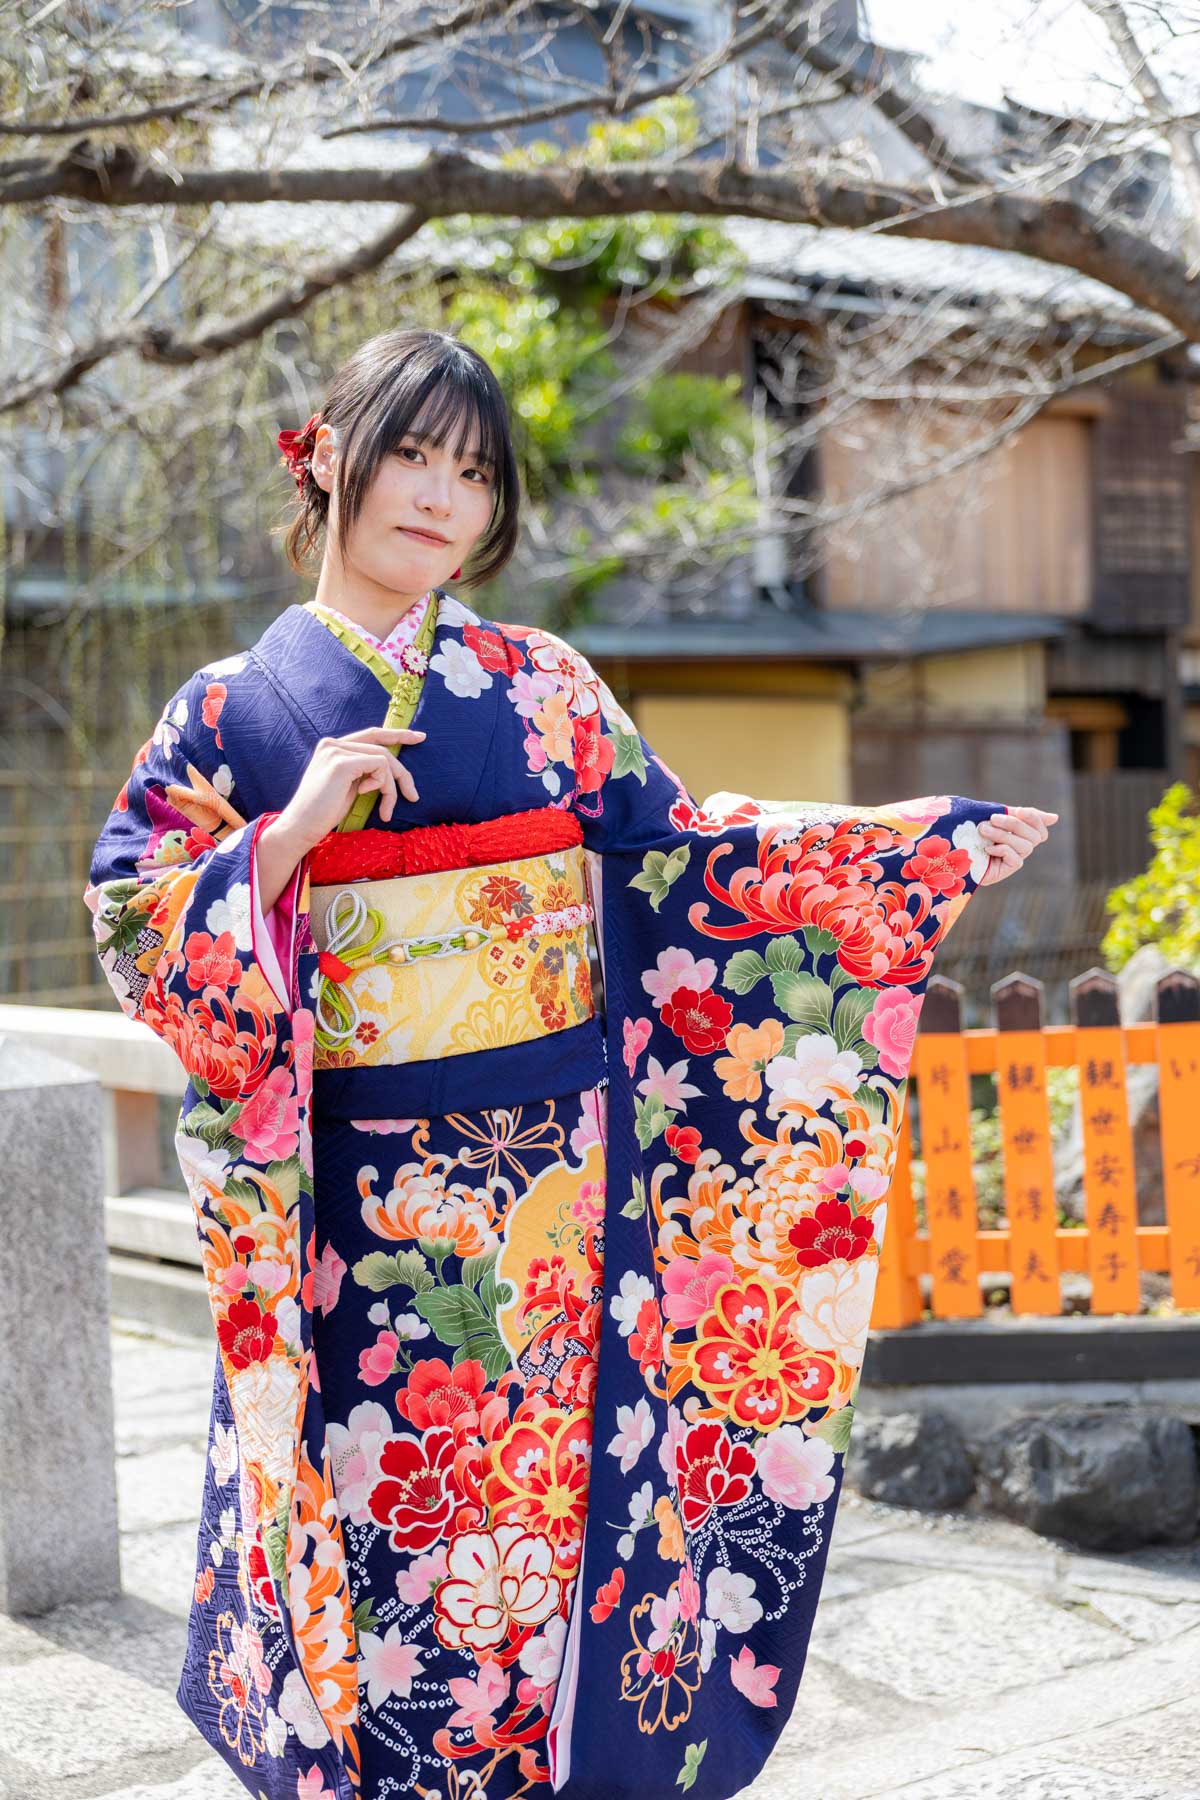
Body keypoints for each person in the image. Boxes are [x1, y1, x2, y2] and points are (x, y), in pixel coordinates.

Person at [85, 326, 1056, 1800]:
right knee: (384, 1515)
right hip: (355, 1206)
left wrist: (896, 857)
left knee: (548, 1523)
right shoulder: (228, 712)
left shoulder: (542, 684)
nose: (443, 498)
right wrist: (282, 842)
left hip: (556, 1196)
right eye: (413, 455)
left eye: (476, 475)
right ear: (327, 454)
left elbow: (686, 864)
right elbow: (133, 912)